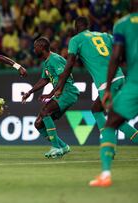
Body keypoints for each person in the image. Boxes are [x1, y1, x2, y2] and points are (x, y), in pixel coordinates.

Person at [42, 16, 138, 143]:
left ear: (76, 27)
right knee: (96, 109)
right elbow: (120, 52)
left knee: (115, 120)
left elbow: (70, 63)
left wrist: (59, 86)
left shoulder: (76, 40)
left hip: (106, 83)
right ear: (88, 26)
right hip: (120, 77)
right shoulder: (105, 35)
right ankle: (108, 143)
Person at [90, 0, 138, 187]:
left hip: (134, 83)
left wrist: (108, 88)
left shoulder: (122, 24)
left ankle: (106, 174)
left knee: (111, 123)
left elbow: (116, 57)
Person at [22, 37, 79, 158]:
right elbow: (45, 79)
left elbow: (63, 76)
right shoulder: (47, 62)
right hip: (61, 93)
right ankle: (63, 146)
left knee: (45, 111)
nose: (34, 50)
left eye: (35, 47)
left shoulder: (55, 59)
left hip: (67, 92)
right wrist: (30, 92)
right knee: (39, 123)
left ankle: (56, 148)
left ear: (42, 47)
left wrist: (51, 94)